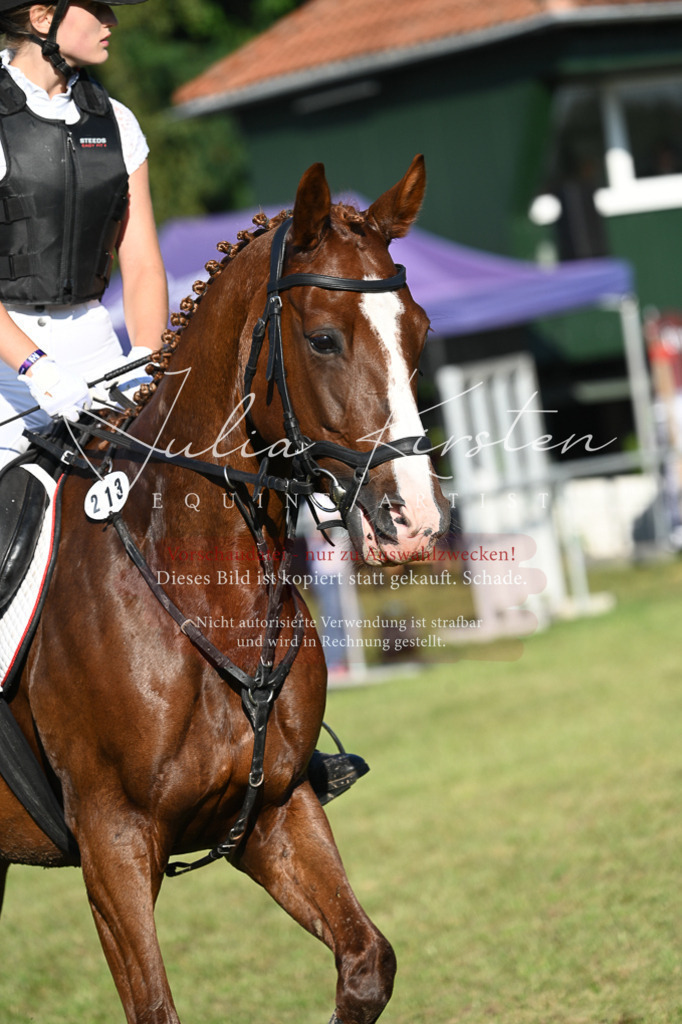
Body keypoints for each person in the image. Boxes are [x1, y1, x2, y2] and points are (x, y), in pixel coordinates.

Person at [0, 0, 168, 469]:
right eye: (96, 7)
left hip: (97, 350)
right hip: (7, 365)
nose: (110, 20)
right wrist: (39, 369)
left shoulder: (118, 122)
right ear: (40, 18)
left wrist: (146, 361)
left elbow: (142, 265)